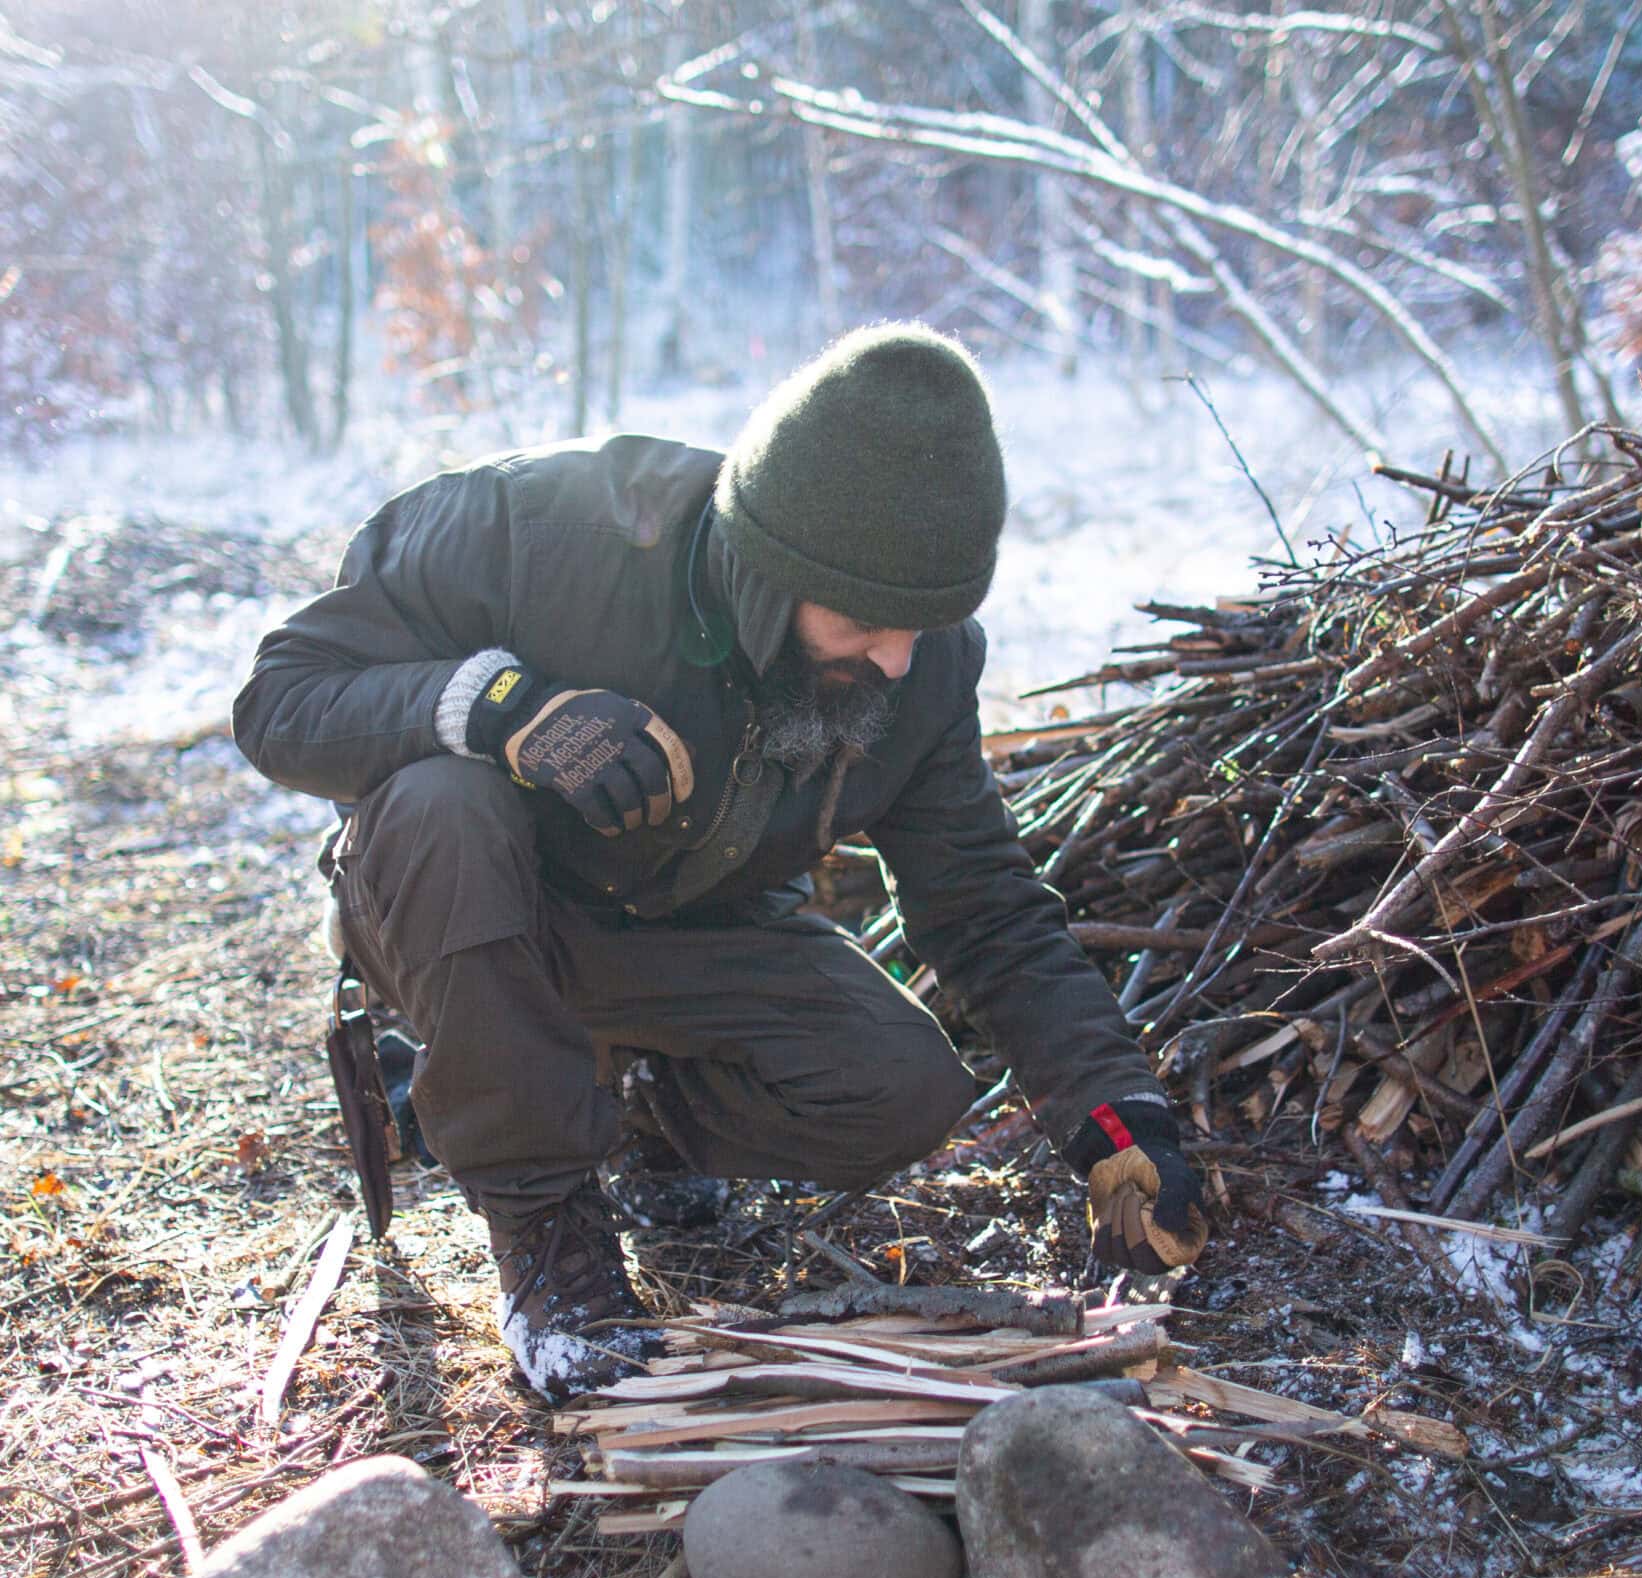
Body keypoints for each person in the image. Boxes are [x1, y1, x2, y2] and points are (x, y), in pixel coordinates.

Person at [233, 325, 1208, 1402]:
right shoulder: (539, 528)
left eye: (924, 625)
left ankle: (630, 1115)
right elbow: (281, 701)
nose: (894, 658)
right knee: (443, 802)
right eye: (866, 621)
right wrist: (495, 708)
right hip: (462, 912)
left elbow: (983, 908)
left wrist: (1118, 1117)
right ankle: (547, 1232)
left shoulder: (921, 670)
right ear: (765, 566)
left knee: (902, 1084)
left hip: (689, 934)